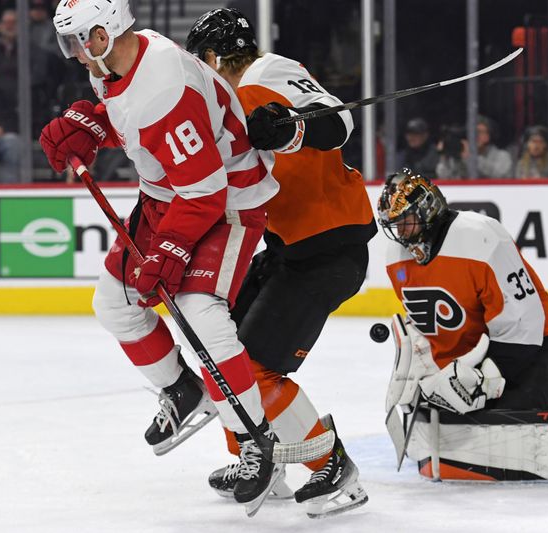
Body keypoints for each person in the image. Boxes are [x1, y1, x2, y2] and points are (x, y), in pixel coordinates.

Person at [38, 0, 282, 508]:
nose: (74, 55)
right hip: (170, 196)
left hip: (228, 202)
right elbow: (132, 126)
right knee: (114, 304)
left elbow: (206, 190)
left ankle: (257, 441)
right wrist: (91, 127)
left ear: (103, 35)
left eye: (77, 41)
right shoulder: (121, 63)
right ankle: (182, 391)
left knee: (200, 313)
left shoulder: (165, 87)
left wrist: (169, 252)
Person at [184, 7, 372, 517]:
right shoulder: (225, 105)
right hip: (293, 250)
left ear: (213, 57)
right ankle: (261, 462)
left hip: (330, 246)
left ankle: (334, 469)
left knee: (257, 369)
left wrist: (288, 129)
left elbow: (339, 122)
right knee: (221, 353)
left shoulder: (268, 73)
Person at [377, 168, 548, 476]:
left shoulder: (480, 236)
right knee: (451, 446)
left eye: (405, 221)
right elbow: (425, 327)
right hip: (463, 371)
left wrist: (483, 380)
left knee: (499, 449)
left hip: (529, 358)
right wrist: (420, 373)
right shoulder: (395, 256)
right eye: (394, 225)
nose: (400, 232)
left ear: (427, 209)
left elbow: (525, 324)